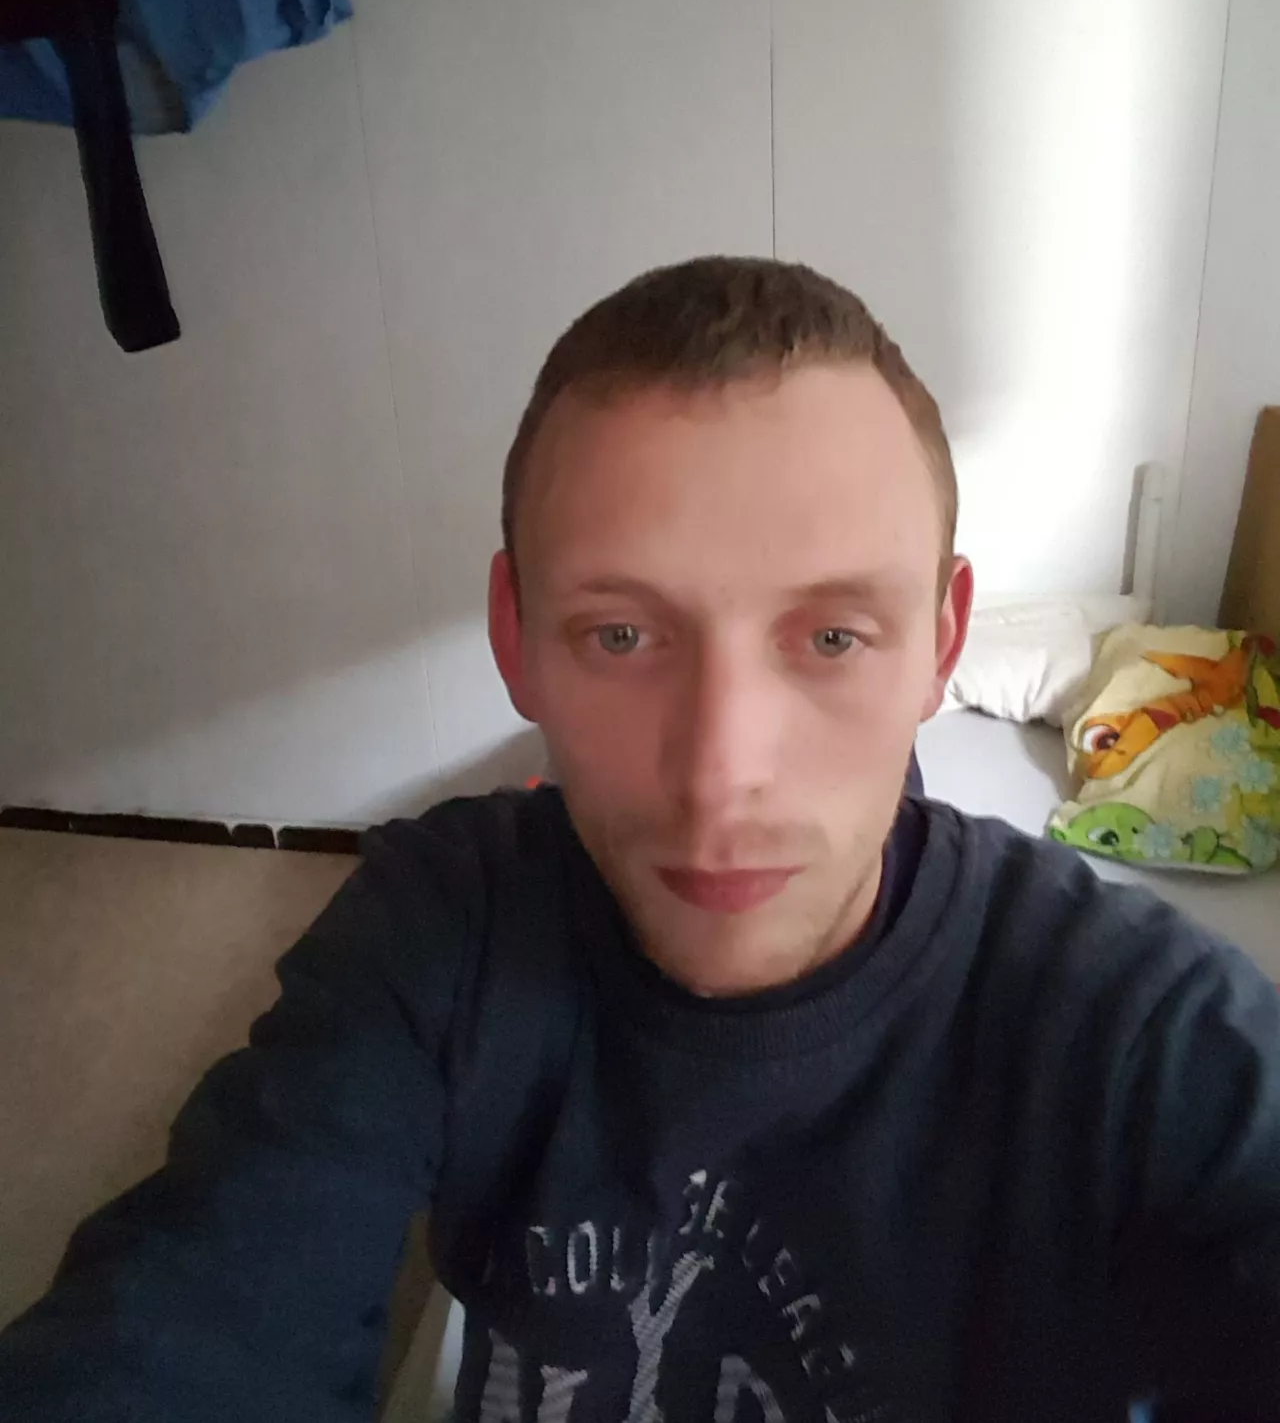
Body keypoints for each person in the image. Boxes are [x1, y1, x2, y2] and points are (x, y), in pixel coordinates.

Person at [1, 257, 1277, 1423]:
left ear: (940, 645)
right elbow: (191, 1318)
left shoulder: (1146, 1033)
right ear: (514, 637)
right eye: (619, 636)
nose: (717, 775)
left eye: (832, 638)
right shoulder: (439, 927)